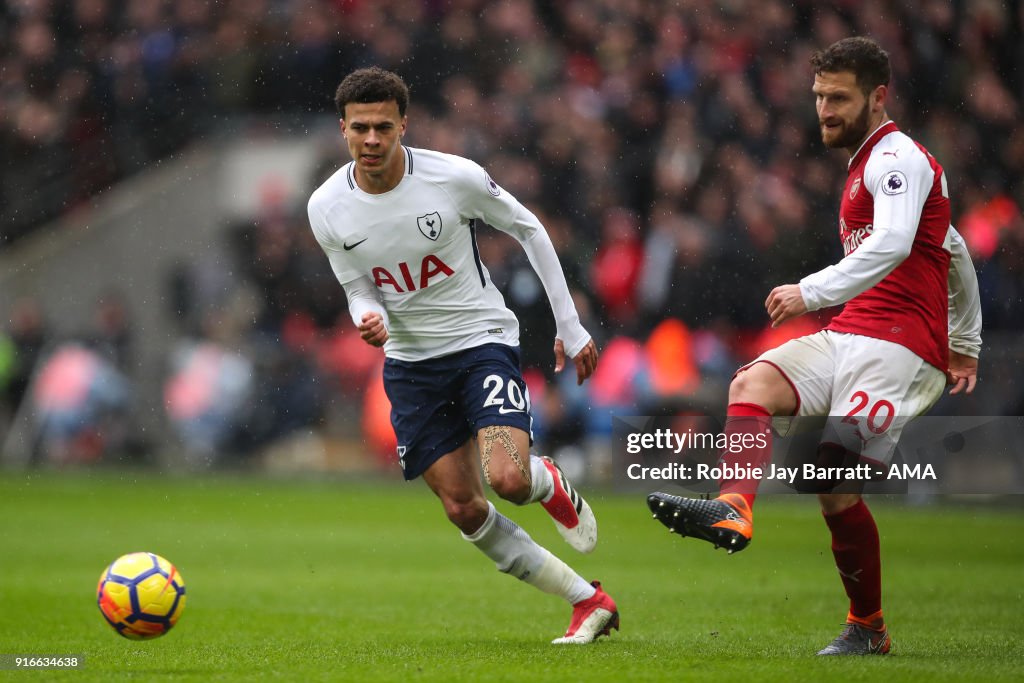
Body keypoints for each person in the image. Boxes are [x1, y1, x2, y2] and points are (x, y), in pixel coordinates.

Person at [648, 37, 982, 656]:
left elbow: (891, 247)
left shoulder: (898, 159)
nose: (824, 110)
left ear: (878, 97)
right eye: (819, 97)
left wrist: (809, 290)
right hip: (851, 332)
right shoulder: (868, 163)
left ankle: (868, 627)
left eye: (839, 98)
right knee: (750, 384)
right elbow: (953, 247)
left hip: (902, 348)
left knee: (832, 480)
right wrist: (969, 339)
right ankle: (733, 509)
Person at [307, 67, 618, 644]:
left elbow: (530, 229)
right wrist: (364, 318)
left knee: (508, 479)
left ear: (404, 125)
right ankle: (588, 601)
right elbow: (356, 286)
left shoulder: (453, 177)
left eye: (382, 127)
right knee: (462, 508)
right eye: (359, 129)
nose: (371, 140)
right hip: (409, 364)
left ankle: (545, 481)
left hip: (480, 343)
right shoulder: (326, 206)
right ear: (342, 129)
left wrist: (569, 326)